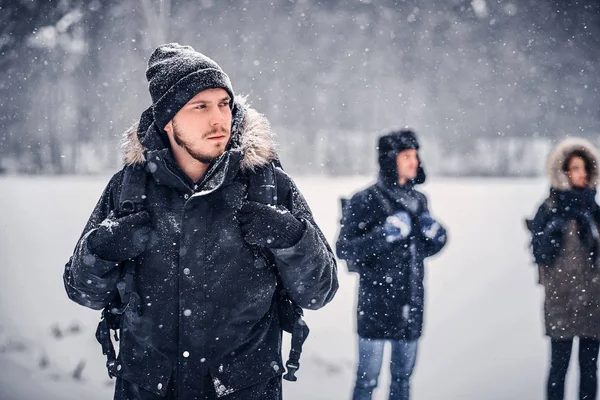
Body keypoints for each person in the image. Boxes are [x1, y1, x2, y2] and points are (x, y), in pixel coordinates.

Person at [63, 43, 338, 400]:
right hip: (148, 388)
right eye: (200, 106)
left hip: (243, 389)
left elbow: (320, 292)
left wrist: (292, 238)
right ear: (168, 119)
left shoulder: (267, 185)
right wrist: (100, 250)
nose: (218, 119)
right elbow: (81, 291)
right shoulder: (129, 189)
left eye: (224, 103)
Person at [335, 130, 447, 400]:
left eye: (416, 156)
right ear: (390, 160)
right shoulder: (365, 199)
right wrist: (384, 234)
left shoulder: (419, 200)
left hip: (411, 303)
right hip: (376, 306)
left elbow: (421, 249)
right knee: (367, 382)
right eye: (407, 156)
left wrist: (437, 236)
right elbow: (344, 249)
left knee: (402, 380)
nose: (414, 162)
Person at [527, 137, 600, 400]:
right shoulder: (549, 210)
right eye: (576, 168)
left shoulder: (595, 211)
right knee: (559, 366)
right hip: (561, 301)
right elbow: (539, 253)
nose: (582, 173)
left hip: (593, 301)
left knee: (589, 369)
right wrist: (550, 233)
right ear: (564, 171)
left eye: (585, 168)